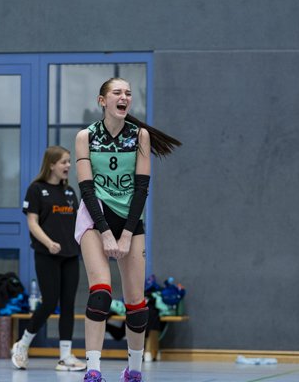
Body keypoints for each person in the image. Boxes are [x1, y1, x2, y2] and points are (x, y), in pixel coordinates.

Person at [74, 78, 181, 382]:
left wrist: (126, 234)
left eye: (128, 93)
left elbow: (141, 189)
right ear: (102, 100)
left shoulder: (139, 136)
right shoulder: (85, 136)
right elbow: (87, 189)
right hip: (95, 218)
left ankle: (133, 371)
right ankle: (93, 370)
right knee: (100, 294)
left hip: (130, 220)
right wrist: (106, 232)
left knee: (136, 303)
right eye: (117, 92)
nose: (124, 97)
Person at [11, 146, 86, 372]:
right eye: (64, 162)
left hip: (70, 255)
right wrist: (49, 243)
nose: (68, 166)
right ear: (51, 165)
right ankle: (22, 345)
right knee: (50, 302)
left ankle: (65, 356)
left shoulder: (70, 192)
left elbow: (77, 223)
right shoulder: (36, 189)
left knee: (69, 304)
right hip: (47, 255)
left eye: (69, 161)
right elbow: (32, 223)